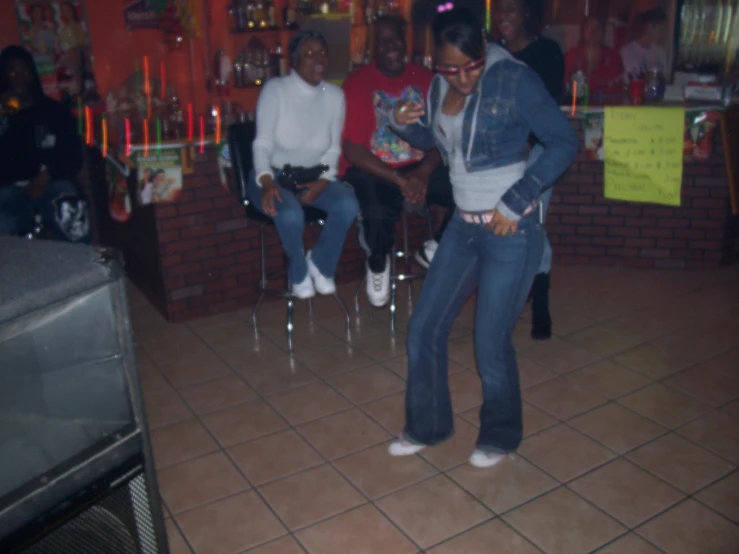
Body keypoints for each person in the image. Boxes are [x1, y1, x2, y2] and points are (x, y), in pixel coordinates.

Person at [387, 8, 578, 467]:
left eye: (471, 65)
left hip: (511, 229)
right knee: (424, 329)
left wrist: (519, 198)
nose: (463, 78)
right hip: (463, 228)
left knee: (490, 343)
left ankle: (500, 435)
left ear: (482, 49)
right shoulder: (438, 87)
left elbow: (563, 141)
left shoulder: (514, 79)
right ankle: (428, 426)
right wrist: (402, 121)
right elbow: (435, 141)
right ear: (435, 61)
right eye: (450, 68)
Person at [341, 15, 454, 305]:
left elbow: (445, 137)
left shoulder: (427, 79)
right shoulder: (357, 83)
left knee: (467, 185)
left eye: (396, 39)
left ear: (406, 43)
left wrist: (424, 174)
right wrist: (402, 180)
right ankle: (378, 262)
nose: (391, 45)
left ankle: (437, 247)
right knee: (376, 210)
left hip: (420, 166)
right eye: (383, 40)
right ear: (372, 49)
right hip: (375, 168)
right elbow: (354, 150)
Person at [248, 31, 359, 299]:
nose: (318, 59)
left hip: (314, 176)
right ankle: (298, 273)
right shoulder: (276, 90)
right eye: (309, 54)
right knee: (291, 213)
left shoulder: (334, 95)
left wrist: (323, 182)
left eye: (322, 53)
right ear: (294, 59)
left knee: (348, 204)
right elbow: (262, 143)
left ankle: (320, 263)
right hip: (271, 175)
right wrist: (265, 181)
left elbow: (334, 147)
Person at [495, 0, 564, 339]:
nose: (503, 17)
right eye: (498, 10)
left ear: (524, 13)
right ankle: (513, 297)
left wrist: (524, 141)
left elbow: (549, 111)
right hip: (502, 156)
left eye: (510, 9)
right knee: (510, 225)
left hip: (539, 153)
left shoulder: (546, 52)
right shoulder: (492, 53)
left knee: (533, 224)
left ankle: (540, 307)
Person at [0, 45, 92, 243]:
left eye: (24, 70)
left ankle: (84, 267)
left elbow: (73, 156)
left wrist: (46, 175)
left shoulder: (53, 111)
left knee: (69, 208)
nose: (19, 77)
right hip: (9, 189)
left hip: (50, 182)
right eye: (12, 71)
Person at [565, 16, 625, 98]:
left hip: (607, 107)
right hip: (580, 106)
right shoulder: (573, 55)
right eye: (589, 28)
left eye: (597, 28)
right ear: (583, 32)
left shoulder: (613, 56)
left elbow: (616, 88)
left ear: (603, 32)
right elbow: (571, 88)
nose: (593, 32)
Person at [620, 7, 668, 78]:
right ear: (650, 26)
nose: (663, 33)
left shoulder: (661, 52)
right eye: (661, 29)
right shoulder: (627, 53)